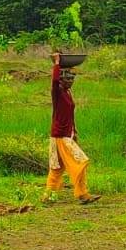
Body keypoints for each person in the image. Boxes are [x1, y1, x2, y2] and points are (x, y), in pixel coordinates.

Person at [47, 51, 99, 204]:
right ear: (61, 80)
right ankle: (82, 194)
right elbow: (54, 81)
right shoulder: (57, 92)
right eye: (67, 78)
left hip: (65, 134)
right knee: (80, 161)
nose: (70, 81)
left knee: (56, 168)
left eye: (72, 79)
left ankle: (48, 196)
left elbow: (70, 114)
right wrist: (57, 63)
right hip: (60, 135)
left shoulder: (68, 92)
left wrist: (74, 131)